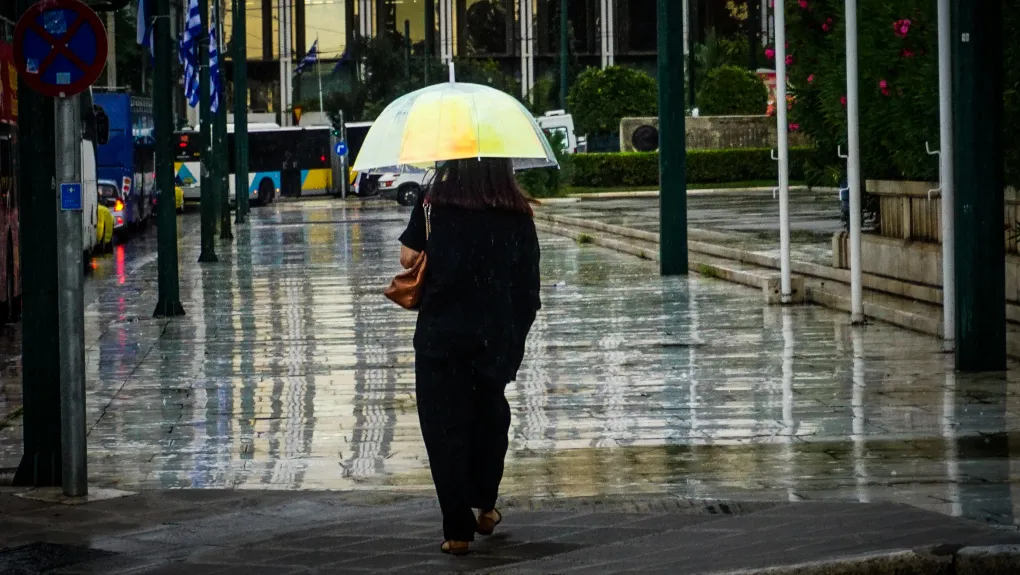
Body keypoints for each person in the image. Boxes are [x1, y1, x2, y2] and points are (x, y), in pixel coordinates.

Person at [398, 158, 542, 556]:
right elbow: (529, 289)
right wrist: (514, 339)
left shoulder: (432, 205)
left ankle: (456, 530)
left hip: (439, 340)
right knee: (488, 423)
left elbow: (407, 259)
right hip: (493, 340)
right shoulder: (516, 215)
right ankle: (486, 504)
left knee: (443, 431)